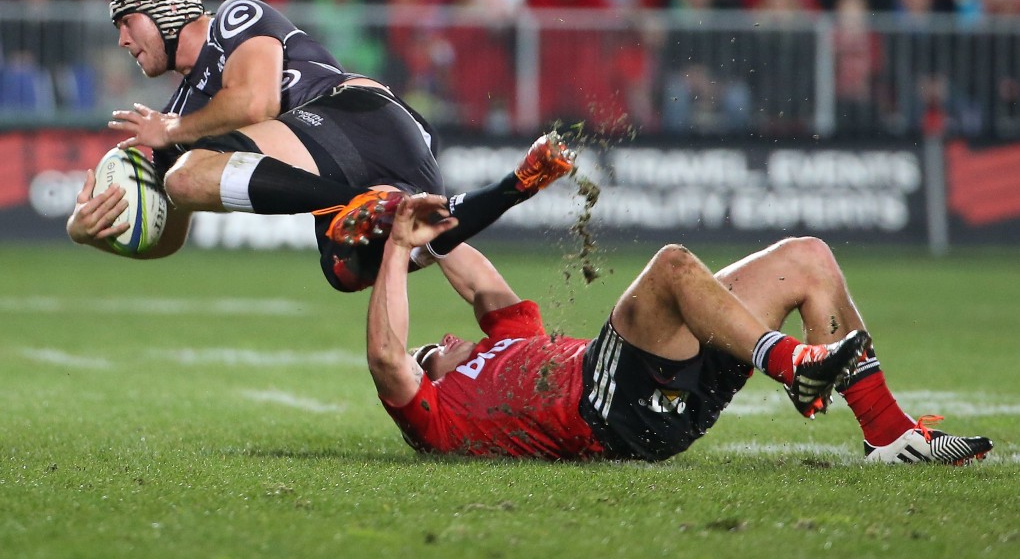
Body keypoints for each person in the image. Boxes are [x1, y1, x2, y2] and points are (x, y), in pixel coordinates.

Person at [66, 0, 575, 291]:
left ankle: (356, 205)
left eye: (126, 23)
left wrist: (172, 134)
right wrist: (87, 233)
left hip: (361, 118)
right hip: (381, 156)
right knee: (350, 267)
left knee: (183, 172)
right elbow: (171, 230)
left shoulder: (233, 20)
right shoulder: (182, 116)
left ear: (161, 10)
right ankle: (515, 185)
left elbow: (253, 105)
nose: (122, 42)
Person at [366, 194, 994, 464]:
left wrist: (415, 214)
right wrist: (394, 250)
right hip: (604, 408)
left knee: (808, 257)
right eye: (432, 353)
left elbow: (476, 280)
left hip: (663, 388)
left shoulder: (509, 339)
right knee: (670, 266)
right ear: (429, 382)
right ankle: (793, 366)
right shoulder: (441, 418)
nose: (444, 341)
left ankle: (889, 434)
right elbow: (388, 355)